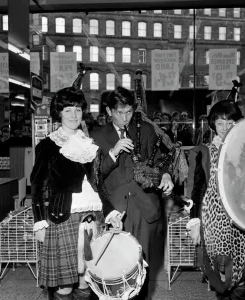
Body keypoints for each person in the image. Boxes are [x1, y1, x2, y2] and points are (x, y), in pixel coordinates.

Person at [30, 86, 116, 300]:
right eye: (68, 110)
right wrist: (40, 221)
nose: (73, 115)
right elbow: (38, 185)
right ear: (59, 113)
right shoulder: (48, 145)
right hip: (63, 219)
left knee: (86, 280)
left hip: (92, 218)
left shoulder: (90, 145)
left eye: (77, 110)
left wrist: (110, 212)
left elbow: (98, 183)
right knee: (64, 285)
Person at [90, 86, 174, 300]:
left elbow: (161, 160)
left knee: (141, 266)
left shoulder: (145, 130)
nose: (125, 117)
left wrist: (165, 175)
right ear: (109, 111)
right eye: (119, 112)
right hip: (114, 210)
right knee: (115, 266)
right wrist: (113, 153)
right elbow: (94, 176)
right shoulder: (97, 136)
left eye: (129, 112)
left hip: (145, 208)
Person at [187, 100, 245, 300]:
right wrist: (195, 222)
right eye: (220, 123)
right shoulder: (204, 152)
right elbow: (197, 190)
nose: (225, 128)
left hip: (243, 220)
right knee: (223, 275)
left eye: (230, 122)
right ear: (213, 125)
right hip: (216, 222)